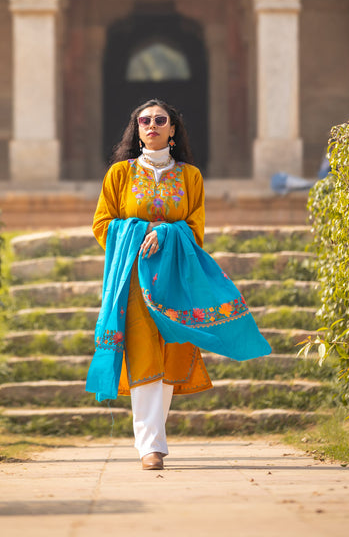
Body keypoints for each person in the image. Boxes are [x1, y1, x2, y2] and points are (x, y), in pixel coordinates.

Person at [86, 99, 271, 471]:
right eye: (144, 120)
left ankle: (153, 436)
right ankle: (150, 446)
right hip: (134, 280)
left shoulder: (190, 177)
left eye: (160, 120)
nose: (151, 125)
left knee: (171, 352)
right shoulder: (120, 175)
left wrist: (167, 235)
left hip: (176, 277)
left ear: (173, 130)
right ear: (136, 129)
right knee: (142, 352)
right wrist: (140, 234)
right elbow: (103, 224)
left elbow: (196, 229)